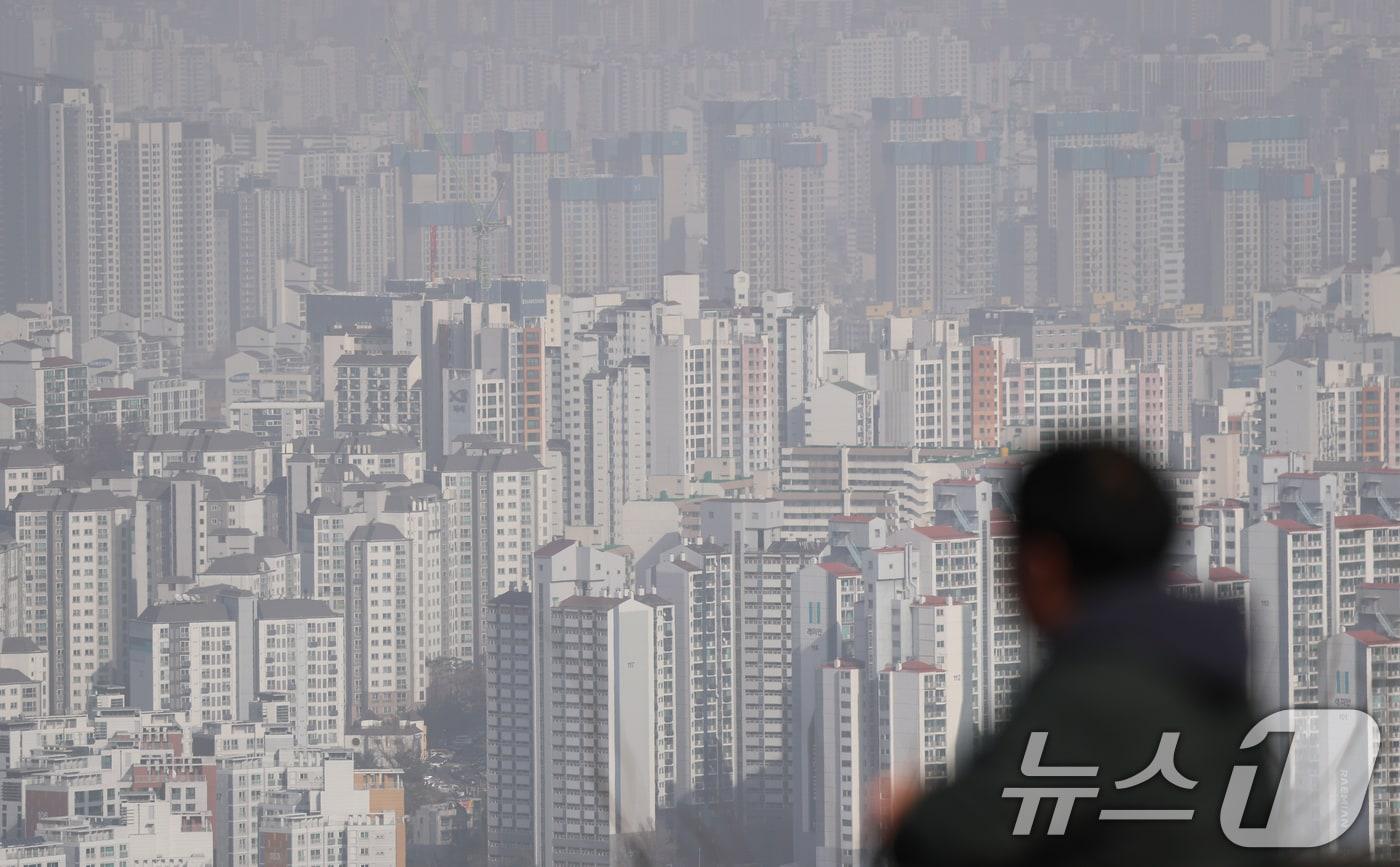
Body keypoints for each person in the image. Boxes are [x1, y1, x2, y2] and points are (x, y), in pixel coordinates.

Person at [879, 445, 1268, 866]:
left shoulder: (1090, 691)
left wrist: (906, 816)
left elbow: (962, 837)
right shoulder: (1217, 683)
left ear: (1043, 564)